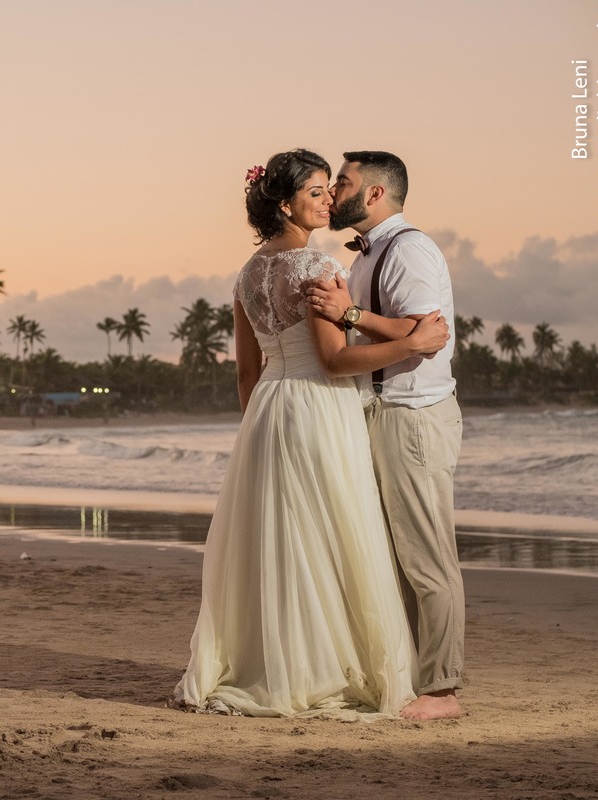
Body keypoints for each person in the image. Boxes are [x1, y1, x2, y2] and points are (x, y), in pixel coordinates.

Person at [173, 149, 450, 719]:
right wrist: (410, 346)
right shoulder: (316, 269)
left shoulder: (247, 276)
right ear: (285, 203)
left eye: (331, 188)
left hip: (269, 411)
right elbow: (332, 363)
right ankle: (323, 668)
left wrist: (260, 430)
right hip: (321, 407)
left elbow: (247, 374)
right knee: (333, 537)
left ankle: (275, 660)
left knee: (282, 540)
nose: (329, 200)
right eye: (318, 191)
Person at [306, 151, 465, 721]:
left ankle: (443, 690)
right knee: (392, 560)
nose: (332, 194)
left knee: (426, 559)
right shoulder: (368, 255)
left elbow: (427, 334)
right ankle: (411, 679)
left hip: (414, 415)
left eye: (342, 183)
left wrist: (349, 316)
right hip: (380, 411)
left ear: (373, 194)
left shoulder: (411, 249)